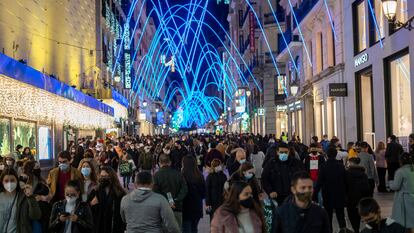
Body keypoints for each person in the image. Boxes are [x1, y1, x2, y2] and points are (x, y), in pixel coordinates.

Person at [314, 146, 348, 232]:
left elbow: (319, 181)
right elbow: (345, 181)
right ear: (336, 155)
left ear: (327, 155)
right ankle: (343, 229)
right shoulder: (341, 166)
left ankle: (329, 230)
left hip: (327, 194)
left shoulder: (323, 166)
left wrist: (315, 194)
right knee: (340, 215)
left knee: (328, 215)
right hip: (339, 194)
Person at [0, 168, 42, 233]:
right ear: (2, 182)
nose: (9, 183)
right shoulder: (0, 196)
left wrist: (30, 197)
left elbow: (36, 216)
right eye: (6, 181)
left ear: (17, 181)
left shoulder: (24, 196)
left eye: (12, 180)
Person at [153, 153, 188, 230]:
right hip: (177, 207)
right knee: (178, 229)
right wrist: (176, 200)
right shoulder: (178, 174)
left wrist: (167, 202)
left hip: (162, 209)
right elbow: (184, 189)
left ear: (159, 163)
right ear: (170, 162)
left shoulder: (156, 175)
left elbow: (155, 191)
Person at [88, 166, 126, 233]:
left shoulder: (119, 192)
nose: (104, 178)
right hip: (99, 226)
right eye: (102, 176)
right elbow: (87, 208)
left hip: (114, 226)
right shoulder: (95, 191)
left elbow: (124, 211)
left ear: (112, 177)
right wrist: (91, 203)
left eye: (106, 176)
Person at [21, 160, 51, 233]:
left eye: (39, 167)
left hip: (44, 210)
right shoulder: (25, 180)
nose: (39, 169)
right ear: (31, 169)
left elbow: (50, 194)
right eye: (37, 167)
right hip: (33, 212)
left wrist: (44, 198)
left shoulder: (40, 179)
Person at [345, 157, 372, 233]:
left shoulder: (347, 174)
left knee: (352, 216)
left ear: (351, 163)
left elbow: (345, 186)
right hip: (361, 199)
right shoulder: (363, 174)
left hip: (350, 199)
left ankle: (356, 229)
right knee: (360, 215)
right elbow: (367, 188)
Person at [389, 152, 414, 232]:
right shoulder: (412, 169)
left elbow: (396, 186)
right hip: (412, 196)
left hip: (403, 199)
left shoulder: (400, 171)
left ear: (401, 161)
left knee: (404, 220)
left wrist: (390, 183)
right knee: (412, 218)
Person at [181, 156, 206, 233]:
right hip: (197, 206)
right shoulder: (200, 176)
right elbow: (204, 193)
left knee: (186, 228)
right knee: (194, 228)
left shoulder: (181, 176)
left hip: (185, 207)